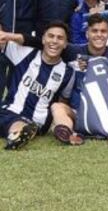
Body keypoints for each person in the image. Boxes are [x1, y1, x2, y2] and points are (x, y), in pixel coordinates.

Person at [0, 21, 77, 150]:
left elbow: (64, 100)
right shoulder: (25, 53)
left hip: (37, 121)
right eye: (50, 36)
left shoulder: (67, 73)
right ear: (43, 39)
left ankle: (19, 133)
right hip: (9, 109)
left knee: (15, 121)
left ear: (65, 44)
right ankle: (17, 135)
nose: (54, 41)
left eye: (60, 38)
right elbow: (3, 41)